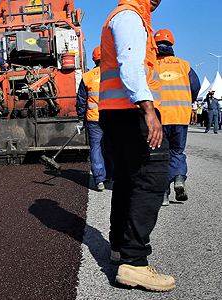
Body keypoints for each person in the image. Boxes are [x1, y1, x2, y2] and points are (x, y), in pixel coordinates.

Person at [98, 0, 176, 292]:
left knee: (128, 180)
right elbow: (130, 64)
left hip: (115, 112)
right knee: (152, 177)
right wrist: (148, 110)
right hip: (130, 112)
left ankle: (119, 247)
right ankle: (135, 262)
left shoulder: (126, 16)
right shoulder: (130, 17)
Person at [154, 29, 200, 205]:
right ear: (171, 44)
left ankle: (164, 195)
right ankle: (179, 177)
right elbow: (194, 88)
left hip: (159, 118)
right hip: (180, 116)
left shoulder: (151, 66)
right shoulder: (184, 65)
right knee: (177, 151)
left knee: (161, 155)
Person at [75, 46, 114, 191]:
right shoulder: (112, 75)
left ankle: (99, 180)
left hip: (94, 119)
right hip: (110, 118)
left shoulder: (87, 76)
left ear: (94, 59)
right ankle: (110, 174)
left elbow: (81, 100)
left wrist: (80, 119)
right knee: (110, 146)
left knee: (96, 148)